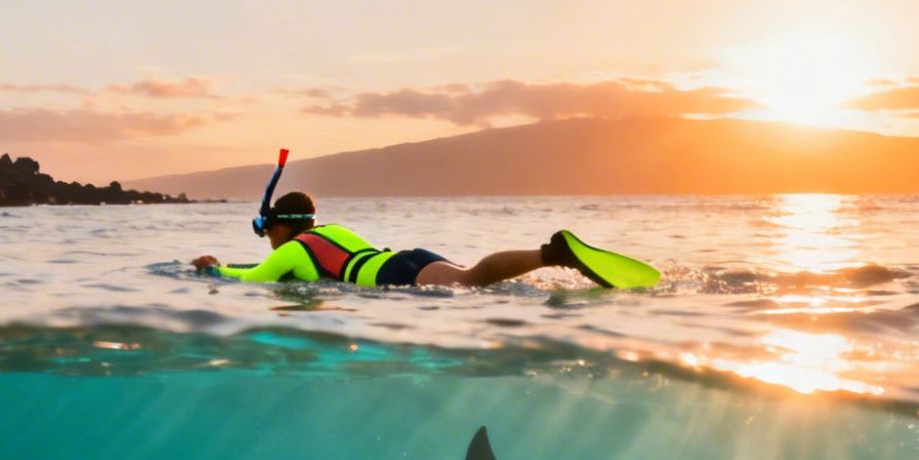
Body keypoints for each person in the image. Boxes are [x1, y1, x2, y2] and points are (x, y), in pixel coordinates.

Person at [189, 191, 657, 289]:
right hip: (406, 258)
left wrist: (211, 270)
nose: (266, 238)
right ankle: (548, 256)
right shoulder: (333, 232)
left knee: (474, 282)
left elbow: (250, 278)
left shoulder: (291, 251)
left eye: (266, 228)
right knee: (478, 281)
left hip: (396, 276)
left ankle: (553, 253)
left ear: (281, 226)